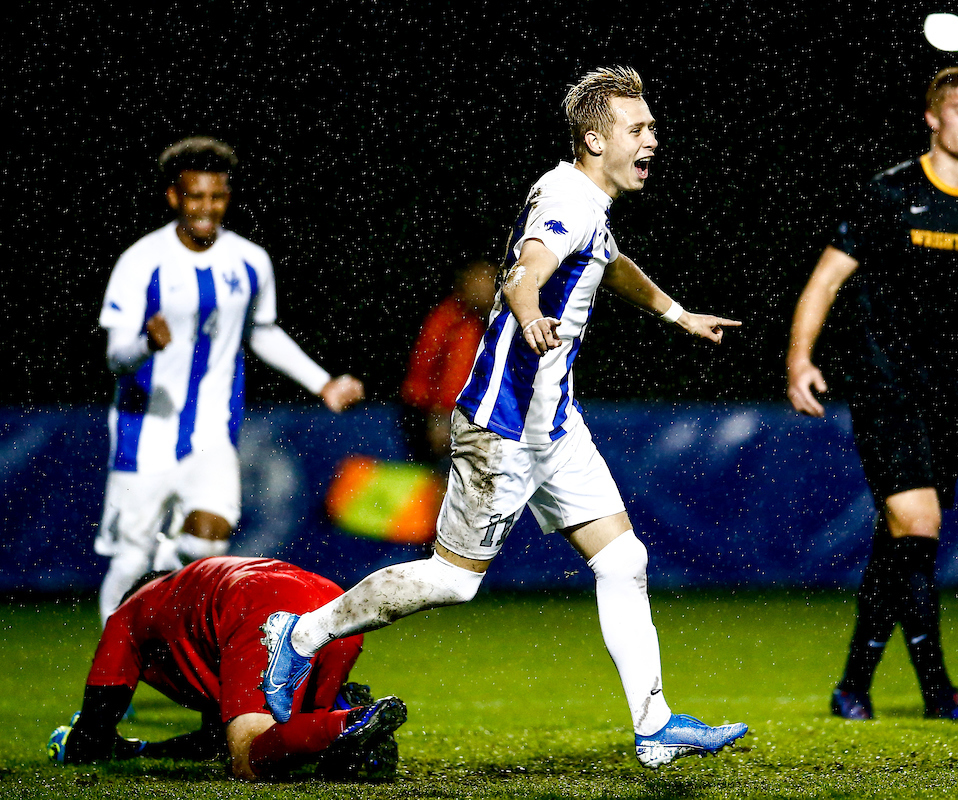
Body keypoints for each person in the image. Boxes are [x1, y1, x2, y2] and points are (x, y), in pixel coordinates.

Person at [257, 66, 747, 769]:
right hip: (503, 427)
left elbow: (610, 265)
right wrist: (530, 313)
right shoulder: (566, 197)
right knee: (454, 580)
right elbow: (525, 271)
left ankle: (654, 722)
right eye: (638, 129)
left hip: (554, 425)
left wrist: (676, 314)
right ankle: (299, 635)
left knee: (624, 559)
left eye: (652, 126)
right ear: (593, 139)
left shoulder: (590, 207)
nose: (653, 139)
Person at [785, 66, 958, 720]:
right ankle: (938, 691)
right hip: (883, 381)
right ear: (933, 117)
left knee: (902, 539)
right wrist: (799, 358)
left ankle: (852, 686)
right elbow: (824, 281)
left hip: (952, 394)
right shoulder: (890, 192)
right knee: (918, 523)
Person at [95, 137, 366, 623]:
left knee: (207, 544)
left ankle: (164, 569)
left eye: (216, 197)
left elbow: (262, 332)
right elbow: (116, 356)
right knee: (129, 558)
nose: (207, 208)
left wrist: (322, 382)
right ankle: (110, 691)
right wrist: (145, 345)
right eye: (195, 197)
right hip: (145, 433)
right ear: (174, 197)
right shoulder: (141, 261)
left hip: (212, 432)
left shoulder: (248, 260)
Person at [46, 557, 406, 780]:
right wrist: (145, 751)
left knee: (248, 758)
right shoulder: (187, 600)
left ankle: (352, 720)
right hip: (331, 597)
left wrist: (73, 742)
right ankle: (338, 714)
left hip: (265, 611)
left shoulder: (129, 614)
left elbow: (93, 732)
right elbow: (212, 741)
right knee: (290, 743)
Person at [399, 256, 498, 466]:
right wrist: (439, 420)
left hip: (471, 417)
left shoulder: (489, 319)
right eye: (482, 280)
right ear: (466, 283)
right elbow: (427, 374)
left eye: (492, 280)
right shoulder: (451, 320)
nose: (488, 287)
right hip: (436, 417)